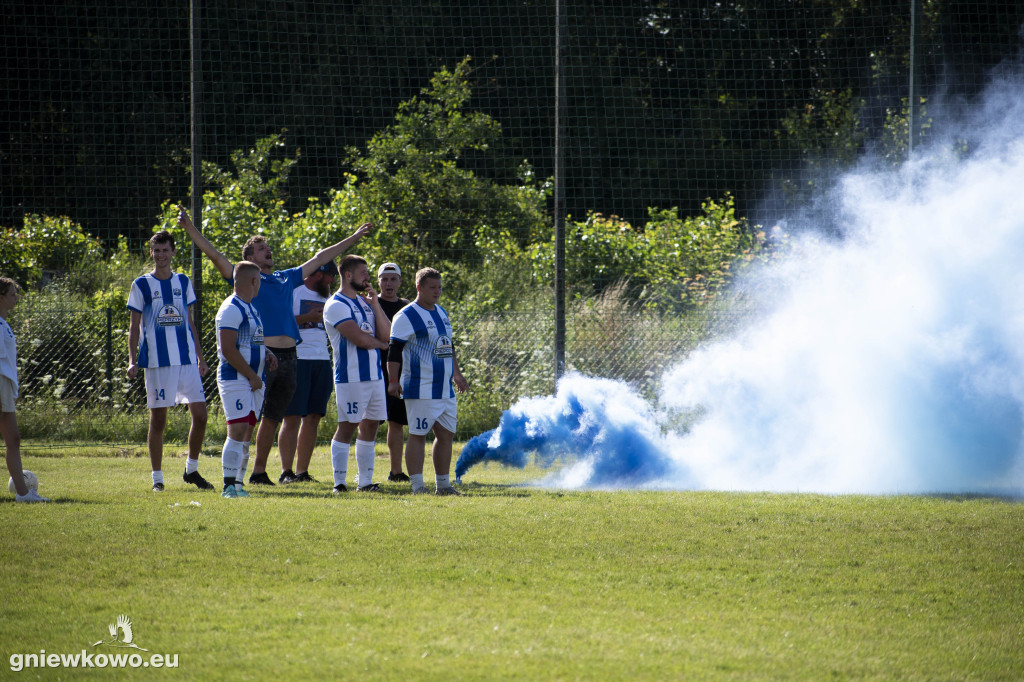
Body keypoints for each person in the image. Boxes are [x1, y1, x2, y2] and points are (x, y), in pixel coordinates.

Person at [177, 206, 371, 486]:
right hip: (261, 358)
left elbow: (319, 258)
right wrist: (190, 228)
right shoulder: (242, 279)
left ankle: (263, 473)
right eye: (260, 248)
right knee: (250, 421)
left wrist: (352, 238)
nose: (268, 250)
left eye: (268, 246)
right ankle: (241, 477)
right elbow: (215, 254)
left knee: (280, 417)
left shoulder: (284, 278)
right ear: (248, 259)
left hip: (290, 357)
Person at [127, 230, 213, 492]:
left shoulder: (183, 281)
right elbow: (134, 327)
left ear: (174, 252)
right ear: (151, 253)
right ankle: (157, 479)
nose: (161, 255)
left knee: (201, 416)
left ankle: (192, 470)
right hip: (157, 363)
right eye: (156, 250)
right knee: (159, 421)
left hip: (186, 361)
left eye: (165, 250)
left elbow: (189, 322)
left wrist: (200, 356)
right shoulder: (141, 285)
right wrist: (132, 360)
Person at [387, 268, 469, 496]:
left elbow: (447, 345)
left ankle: (443, 485)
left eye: (440, 287)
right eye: (433, 287)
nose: (437, 291)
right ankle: (418, 487)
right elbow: (394, 351)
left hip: (444, 389)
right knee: (418, 434)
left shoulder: (441, 312)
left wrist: (457, 373)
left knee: (445, 435)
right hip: (420, 388)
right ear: (419, 288)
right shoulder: (405, 316)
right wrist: (393, 381)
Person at [323, 255, 390, 493]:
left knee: (371, 425)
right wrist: (381, 346)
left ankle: (365, 482)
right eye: (364, 273)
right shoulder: (336, 304)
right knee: (348, 426)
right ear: (348, 275)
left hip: (375, 376)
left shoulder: (365, 303)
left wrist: (375, 305)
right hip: (351, 377)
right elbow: (359, 339)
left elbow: (387, 334)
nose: (368, 277)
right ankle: (339, 483)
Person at [214, 261, 275, 498]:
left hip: (254, 380)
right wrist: (251, 375)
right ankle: (228, 486)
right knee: (237, 429)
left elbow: (250, 341)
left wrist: (267, 354)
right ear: (253, 281)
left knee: (247, 429)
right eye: (259, 280)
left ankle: (238, 484)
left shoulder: (251, 308)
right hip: (237, 378)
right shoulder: (230, 308)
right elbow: (228, 349)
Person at [277, 260, 337, 483]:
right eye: (330, 275)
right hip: (297, 358)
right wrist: (307, 318)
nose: (332, 280)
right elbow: (279, 322)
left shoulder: (330, 298)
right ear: (318, 273)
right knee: (291, 416)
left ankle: (302, 472)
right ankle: (286, 472)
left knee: (313, 417)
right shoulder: (293, 291)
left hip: (322, 359)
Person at [0, 277, 49, 503]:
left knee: (14, 439)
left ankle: (23, 494)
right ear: (1, 297)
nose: (16, 298)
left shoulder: (4, 324)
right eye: (12, 294)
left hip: (6, 385)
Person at [375, 262, 411, 483]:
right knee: (367, 422)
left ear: (399, 281)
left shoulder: (407, 306)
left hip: (399, 371)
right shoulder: (369, 304)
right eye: (384, 279)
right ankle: (363, 473)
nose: (388, 284)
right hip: (373, 371)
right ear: (378, 281)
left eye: (393, 279)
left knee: (396, 422)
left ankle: (396, 471)